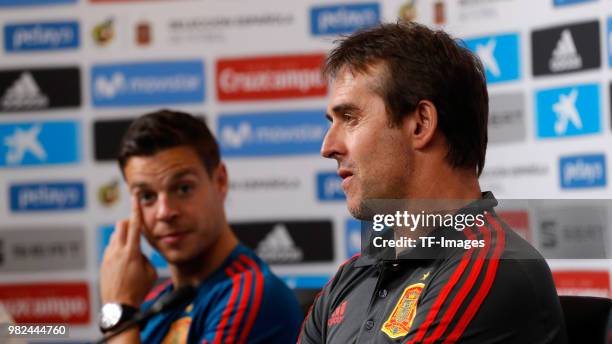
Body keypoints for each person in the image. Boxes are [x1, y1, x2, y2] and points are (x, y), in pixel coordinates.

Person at [298, 22, 568, 343]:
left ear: (421, 124)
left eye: (350, 119)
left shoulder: (491, 268)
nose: (328, 146)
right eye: (333, 123)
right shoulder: (350, 277)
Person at [99, 110, 302, 343]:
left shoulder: (252, 295)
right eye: (147, 196)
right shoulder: (152, 305)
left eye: (183, 188)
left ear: (220, 181)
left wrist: (118, 310)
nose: (165, 212)